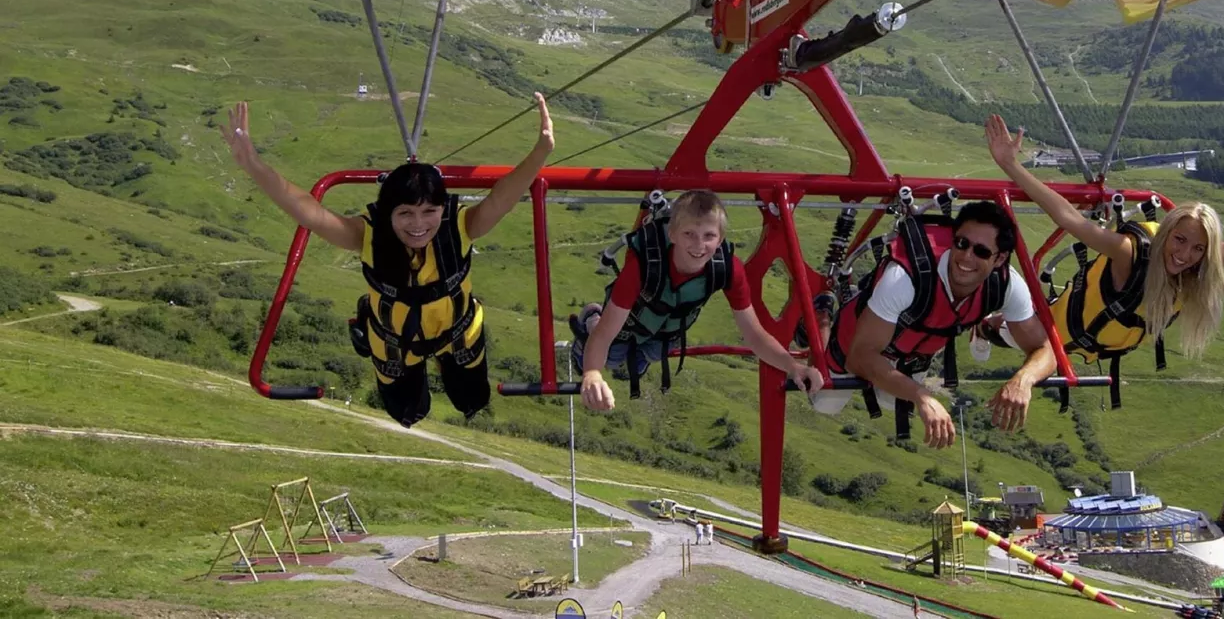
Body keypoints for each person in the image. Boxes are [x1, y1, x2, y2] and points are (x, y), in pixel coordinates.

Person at [223, 96, 556, 427]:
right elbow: (310, 213)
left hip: (458, 335)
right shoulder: (369, 235)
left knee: (472, 399)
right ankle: (403, 382)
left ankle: (454, 382)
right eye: (405, 214)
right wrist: (253, 164)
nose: (418, 225)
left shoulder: (461, 227)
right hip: (394, 344)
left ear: (443, 209)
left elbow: (503, 196)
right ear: (388, 214)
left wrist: (542, 149)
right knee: (407, 411)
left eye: (430, 212)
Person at [982, 115, 1224, 405]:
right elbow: (1070, 219)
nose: (1185, 255)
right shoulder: (1131, 254)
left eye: (1197, 249)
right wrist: (1011, 167)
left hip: (1097, 344)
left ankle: (990, 327)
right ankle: (984, 326)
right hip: (1052, 332)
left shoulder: (1198, 269)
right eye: (1179, 240)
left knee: (1039, 343)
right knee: (1012, 331)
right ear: (1167, 234)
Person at [818, 199, 1058, 448]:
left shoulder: (1006, 285)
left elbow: (1046, 349)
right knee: (826, 404)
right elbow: (860, 356)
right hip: (855, 341)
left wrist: (1023, 380)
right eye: (961, 243)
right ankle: (822, 315)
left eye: (981, 251)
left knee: (892, 402)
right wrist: (921, 395)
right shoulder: (905, 278)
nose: (966, 257)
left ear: (1000, 259)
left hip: (911, 355)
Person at [569, 189, 823, 411]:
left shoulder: (727, 269)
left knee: (643, 358)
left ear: (720, 239)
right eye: (689, 233)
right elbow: (604, 335)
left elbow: (755, 336)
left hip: (666, 332)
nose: (699, 245)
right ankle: (591, 317)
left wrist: (795, 367)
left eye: (709, 236)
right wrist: (592, 374)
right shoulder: (643, 267)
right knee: (611, 356)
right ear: (673, 234)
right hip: (623, 324)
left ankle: (636, 351)